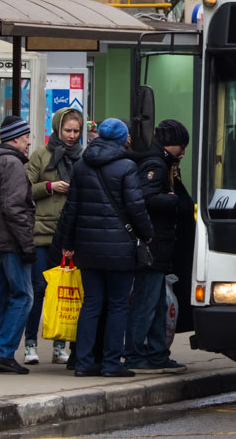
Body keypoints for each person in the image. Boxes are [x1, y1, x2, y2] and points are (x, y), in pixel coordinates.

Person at [55, 118, 152, 377]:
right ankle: (111, 363)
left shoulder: (81, 165)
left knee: (91, 304)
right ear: (122, 138)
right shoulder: (127, 166)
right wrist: (147, 233)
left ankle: (84, 363)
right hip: (120, 249)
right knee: (118, 305)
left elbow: (71, 207)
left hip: (87, 249)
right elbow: (136, 207)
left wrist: (67, 242)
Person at [124, 119, 189, 374]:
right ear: (169, 144)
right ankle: (136, 355)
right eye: (181, 146)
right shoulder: (156, 164)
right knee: (146, 302)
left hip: (158, 245)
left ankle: (158, 353)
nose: (183, 152)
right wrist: (172, 201)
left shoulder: (159, 161)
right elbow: (144, 198)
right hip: (154, 244)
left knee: (158, 302)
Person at [22, 107, 83, 365]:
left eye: (76, 131)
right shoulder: (40, 155)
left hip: (69, 236)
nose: (71, 136)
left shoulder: (82, 158)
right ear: (57, 128)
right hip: (42, 235)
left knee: (65, 293)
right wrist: (50, 186)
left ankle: (60, 346)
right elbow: (24, 189)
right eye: (67, 130)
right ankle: (30, 345)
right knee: (37, 289)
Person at [0, 115, 36, 374]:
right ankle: (3, 353)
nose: (28, 143)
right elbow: (14, 209)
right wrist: (27, 245)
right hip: (10, 241)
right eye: (26, 138)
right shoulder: (12, 163)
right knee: (23, 296)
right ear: (15, 138)